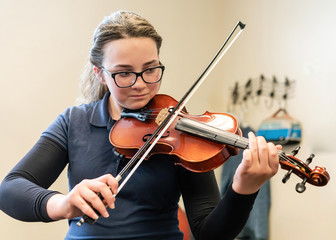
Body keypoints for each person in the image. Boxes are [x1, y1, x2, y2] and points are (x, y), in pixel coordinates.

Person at [0, 10, 280, 240]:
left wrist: (244, 187)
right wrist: (64, 204)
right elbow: (10, 189)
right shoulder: (74, 123)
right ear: (100, 73)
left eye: (150, 69)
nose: (141, 85)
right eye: (123, 74)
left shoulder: (180, 130)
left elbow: (210, 234)